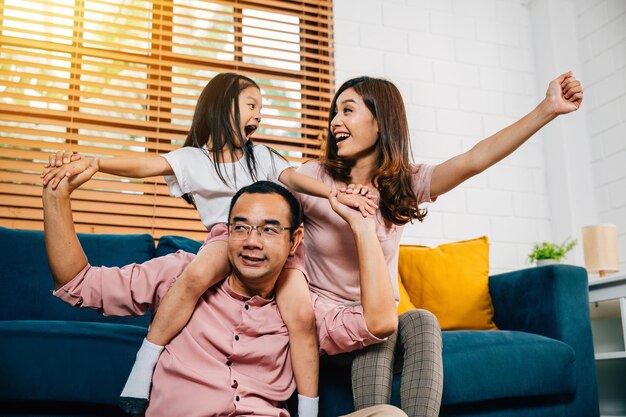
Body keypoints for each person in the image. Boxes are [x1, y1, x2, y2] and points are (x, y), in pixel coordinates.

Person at [40, 73, 377, 416]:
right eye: (251, 105)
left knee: (301, 316)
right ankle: (145, 362)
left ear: (293, 238)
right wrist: (96, 163)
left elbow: (294, 179)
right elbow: (146, 166)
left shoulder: (262, 157)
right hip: (218, 240)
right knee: (195, 275)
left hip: (282, 274)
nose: (258, 115)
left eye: (260, 108)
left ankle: (308, 410)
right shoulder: (193, 160)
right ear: (223, 107)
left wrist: (335, 193)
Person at [294, 71, 583, 416]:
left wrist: (547, 108)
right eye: (335, 112)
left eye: (348, 110)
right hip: (335, 328)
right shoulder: (315, 179)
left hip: (379, 320)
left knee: (421, 321)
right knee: (381, 335)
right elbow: (263, 202)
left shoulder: (402, 184)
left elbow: (475, 159)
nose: (335, 122)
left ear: (380, 121)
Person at [43, 166, 404, 417]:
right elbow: (81, 284)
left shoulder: (301, 306)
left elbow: (380, 321)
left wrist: (360, 225)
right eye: (240, 227)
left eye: (268, 230)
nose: (251, 242)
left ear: (295, 241)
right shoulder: (181, 272)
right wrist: (55, 198)